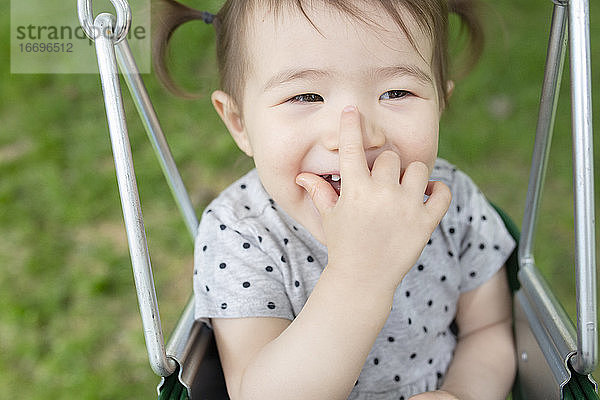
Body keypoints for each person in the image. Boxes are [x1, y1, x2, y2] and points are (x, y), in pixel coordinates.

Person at [153, 1, 516, 399]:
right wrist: (360, 276)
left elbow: (488, 330)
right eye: (306, 97)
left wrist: (462, 394)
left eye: (397, 91)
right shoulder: (242, 233)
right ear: (239, 122)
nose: (355, 135)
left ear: (440, 104)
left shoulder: (451, 201)